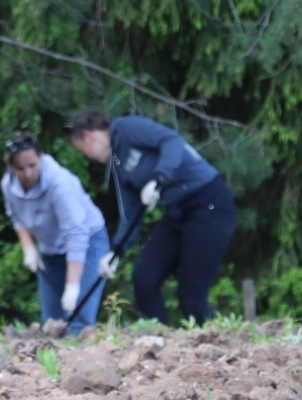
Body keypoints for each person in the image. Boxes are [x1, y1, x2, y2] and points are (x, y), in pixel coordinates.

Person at [67, 109, 235, 326]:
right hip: (178, 212)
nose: (88, 158)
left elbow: (171, 141)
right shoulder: (117, 163)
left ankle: (221, 346)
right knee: (144, 278)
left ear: (89, 136)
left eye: (84, 151)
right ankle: (158, 340)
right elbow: (130, 213)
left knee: (191, 297)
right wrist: (115, 252)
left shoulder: (126, 128)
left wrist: (158, 178)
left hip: (208, 203)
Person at [0, 133, 109, 335]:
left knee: (78, 326)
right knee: (52, 327)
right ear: (11, 167)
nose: (29, 173)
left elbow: (76, 234)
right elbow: (16, 216)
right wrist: (29, 248)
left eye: (33, 165)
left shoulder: (60, 185)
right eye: (21, 169)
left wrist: (73, 285)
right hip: (51, 253)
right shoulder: (8, 185)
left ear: (41, 157)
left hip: (87, 245)